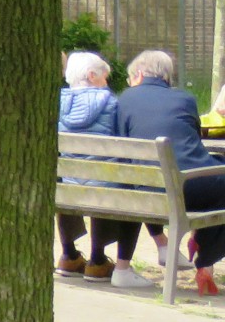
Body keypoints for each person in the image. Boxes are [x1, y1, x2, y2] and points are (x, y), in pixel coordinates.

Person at [116, 50, 225, 295]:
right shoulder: (184, 99)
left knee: (150, 176)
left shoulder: (124, 100)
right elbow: (193, 142)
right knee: (218, 181)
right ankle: (206, 258)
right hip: (190, 187)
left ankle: (186, 247)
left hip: (146, 187)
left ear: (140, 74)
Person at [54, 51, 151, 288]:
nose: (107, 83)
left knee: (70, 179)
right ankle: (97, 260)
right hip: (105, 189)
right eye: (105, 78)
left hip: (68, 186)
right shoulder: (112, 103)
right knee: (110, 177)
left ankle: (69, 255)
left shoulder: (57, 102)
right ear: (91, 75)